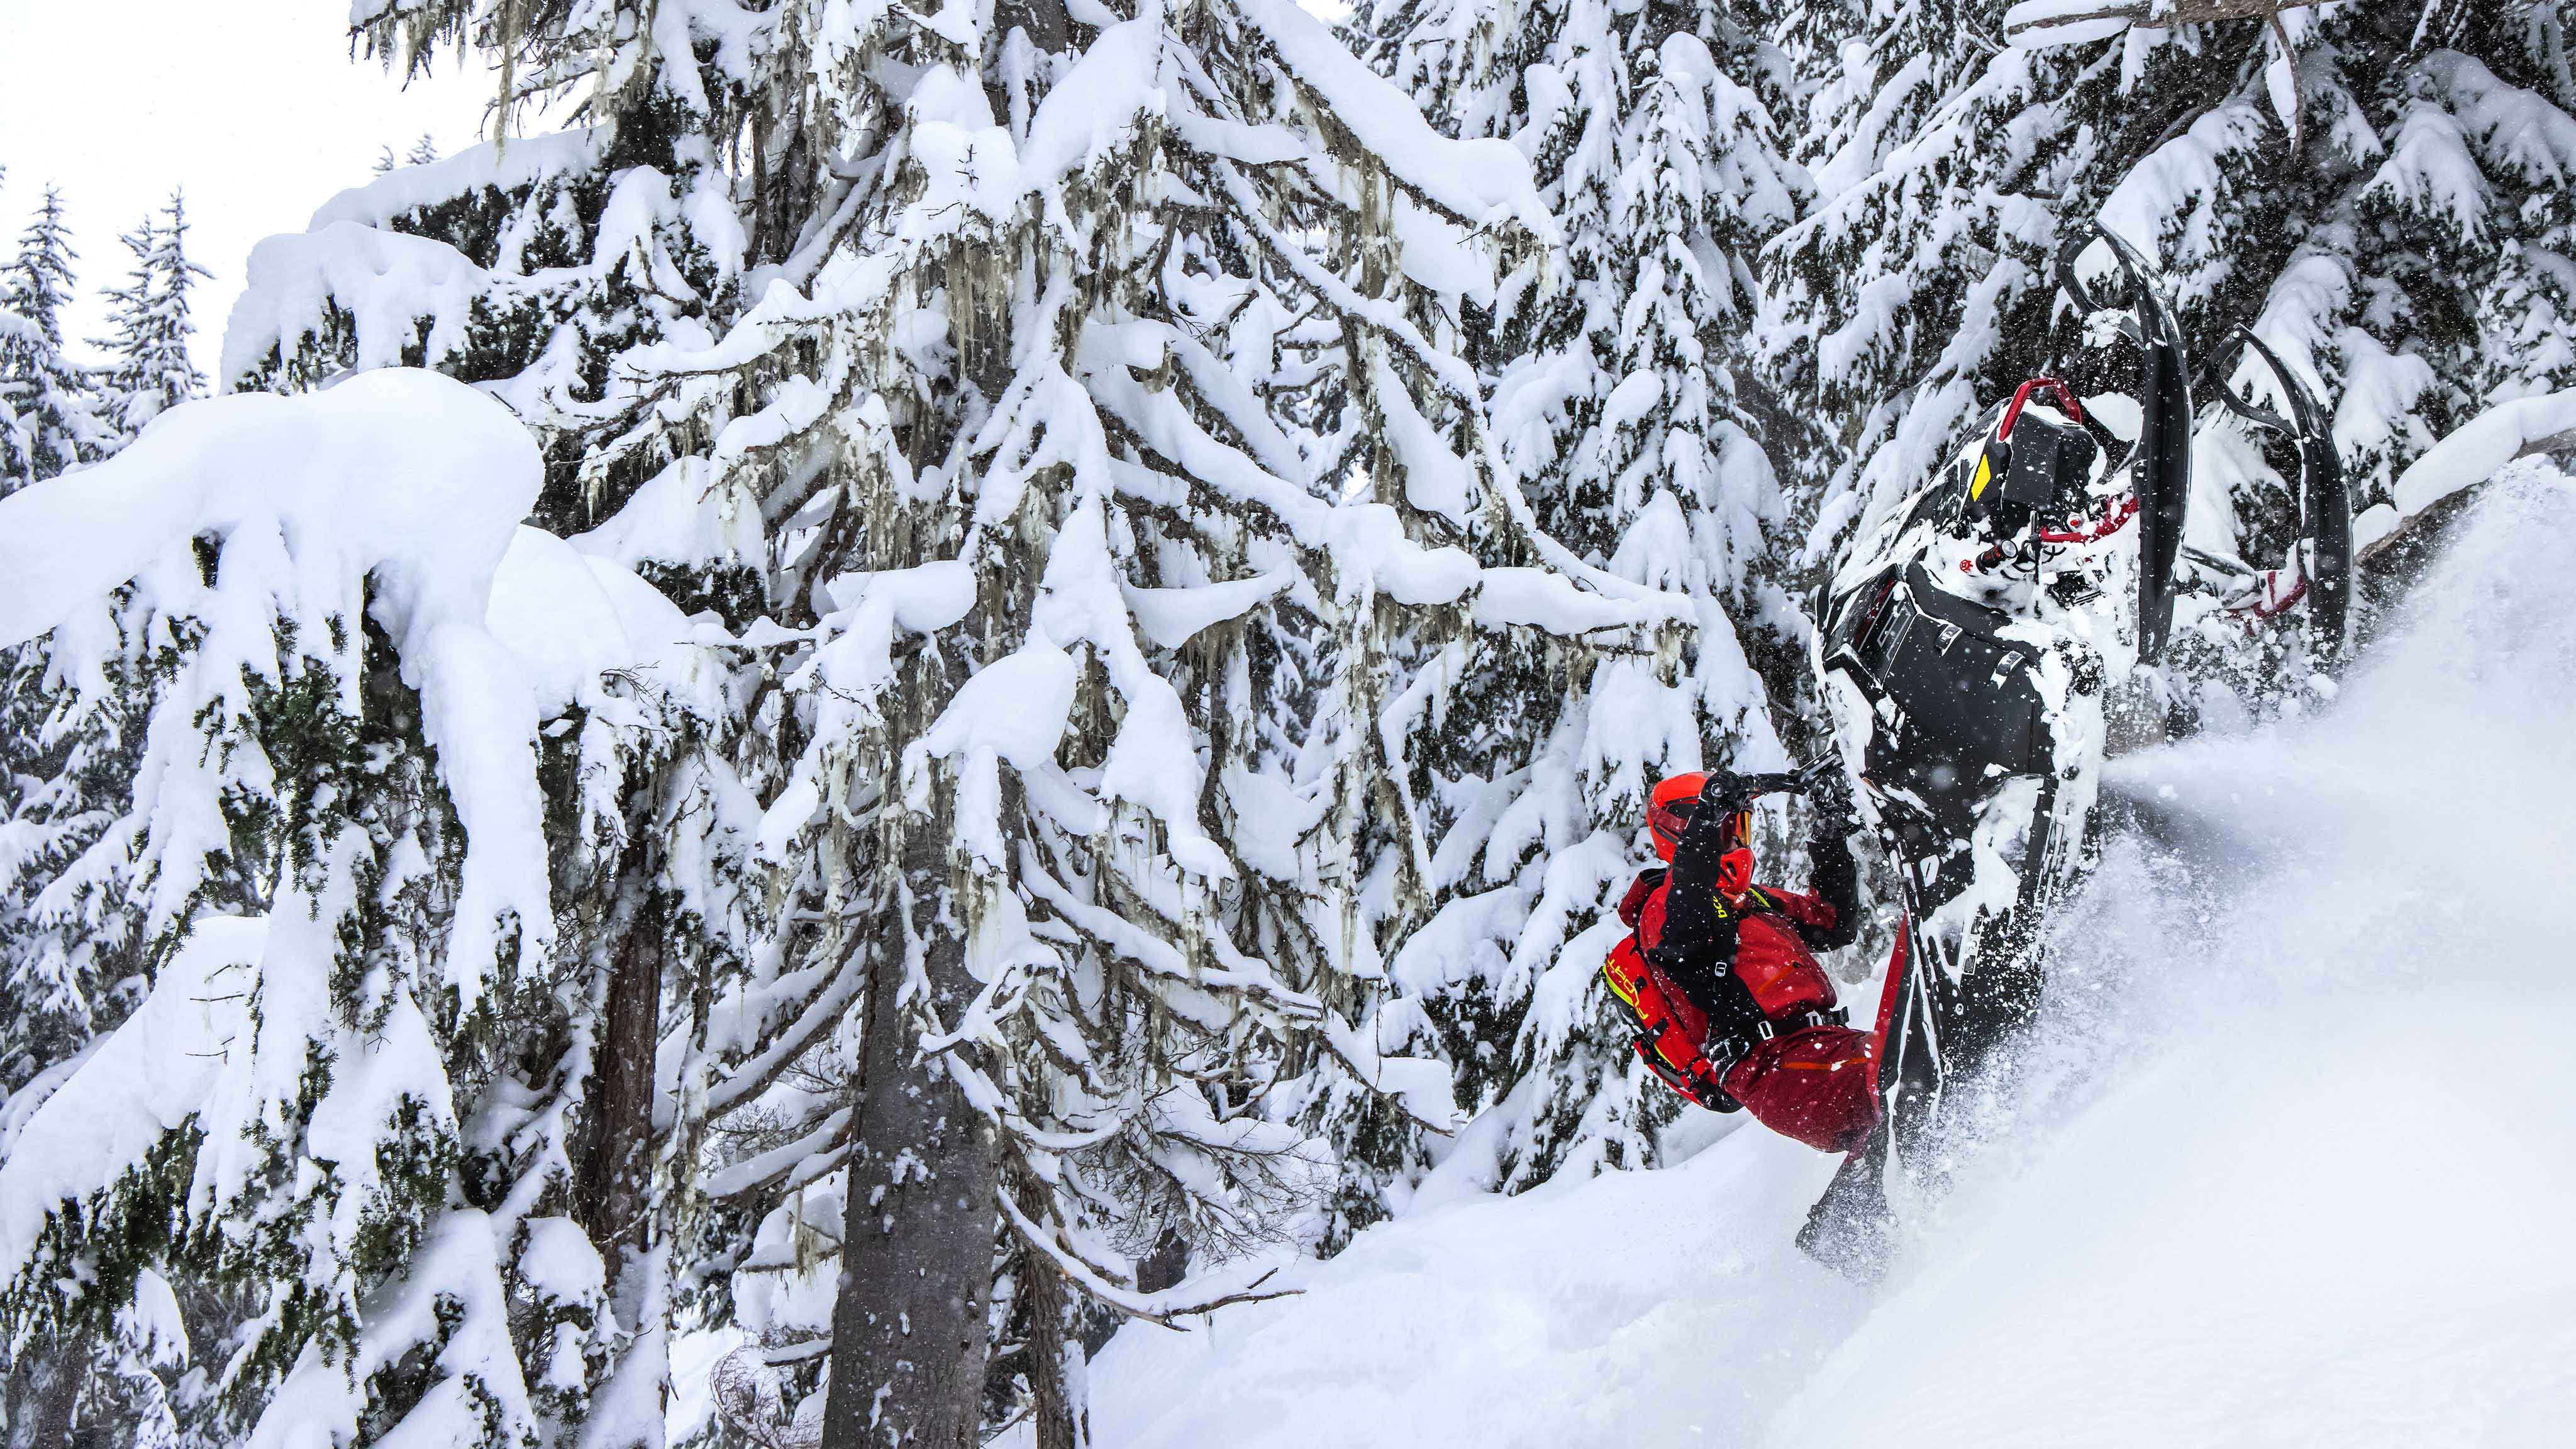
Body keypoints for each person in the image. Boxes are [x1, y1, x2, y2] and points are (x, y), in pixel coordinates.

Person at [1600, 765, 1882, 1153]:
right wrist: (1706, 820)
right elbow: (1685, 926)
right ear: (1686, 832)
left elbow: (1832, 924)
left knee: (1915, 1066)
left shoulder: (1752, 902)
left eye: (1741, 829)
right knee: (1895, 1072)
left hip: (1822, 1047)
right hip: (1773, 1064)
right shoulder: (1663, 909)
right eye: (1727, 829)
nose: (1737, 842)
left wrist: (1829, 837)